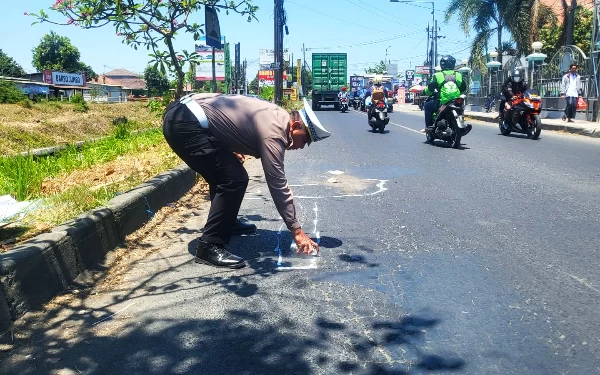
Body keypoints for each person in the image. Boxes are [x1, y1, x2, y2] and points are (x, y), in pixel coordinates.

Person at [162, 94, 330, 269]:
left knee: (225, 172)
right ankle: (209, 246)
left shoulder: (278, 115)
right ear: (295, 125)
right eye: (304, 139)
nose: (302, 146)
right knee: (233, 178)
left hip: (183, 115)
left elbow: (228, 121)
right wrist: (297, 230)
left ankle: (227, 223)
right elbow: (277, 182)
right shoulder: (274, 133)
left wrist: (228, 147)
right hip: (184, 123)